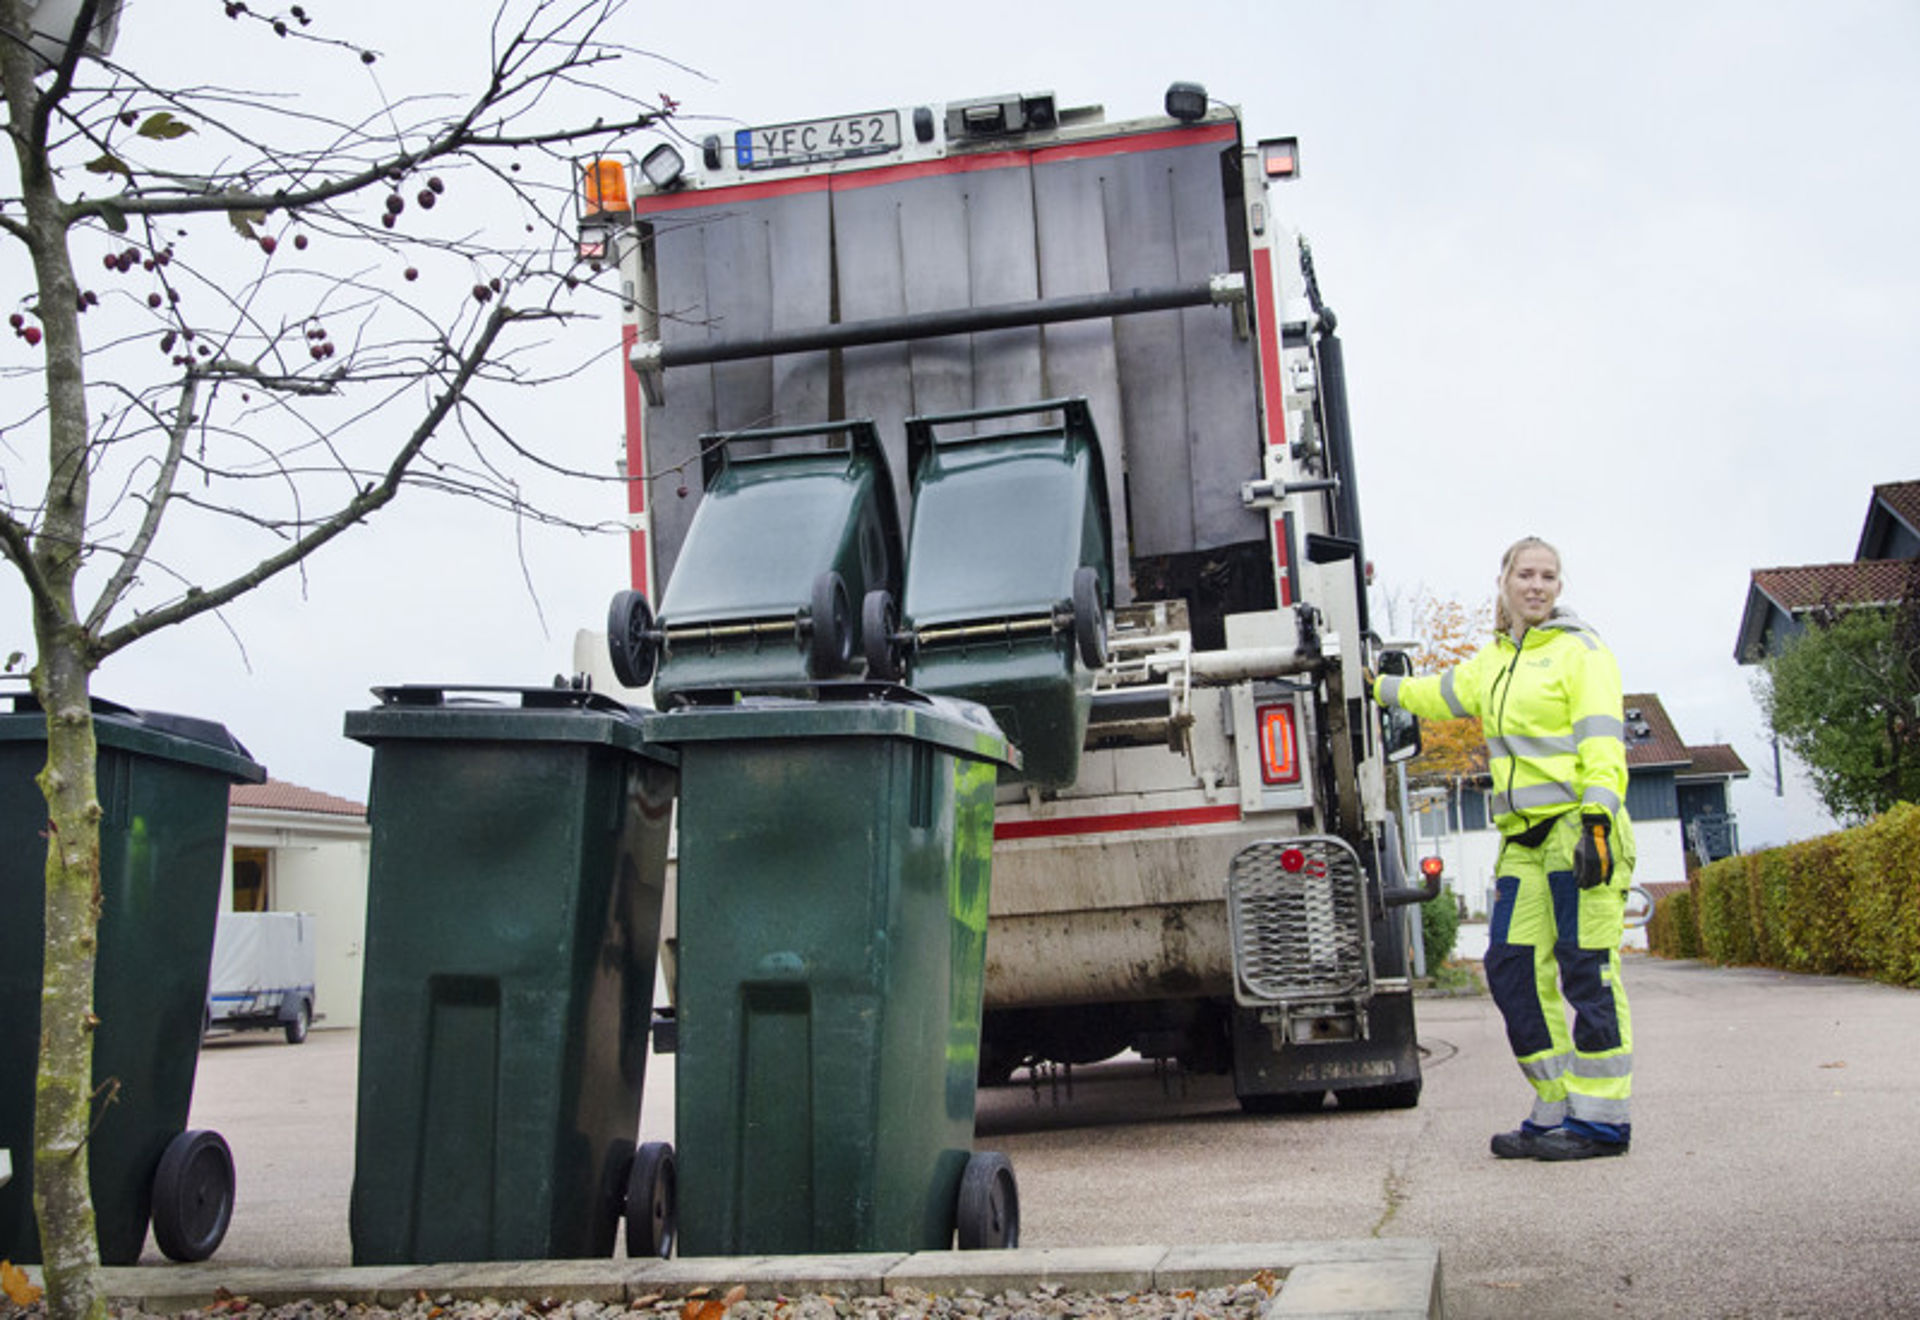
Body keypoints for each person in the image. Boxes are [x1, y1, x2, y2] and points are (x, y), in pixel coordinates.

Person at [1372, 536, 1636, 1160]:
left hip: (1580, 833)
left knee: (1586, 970)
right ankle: (1554, 1108)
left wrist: (1599, 821)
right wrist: (1377, 686)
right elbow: (1435, 695)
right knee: (1512, 968)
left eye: (1549, 576)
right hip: (1523, 841)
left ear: (1559, 587)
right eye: (1526, 574)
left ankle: (1602, 1123)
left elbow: (1603, 744)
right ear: (1504, 583)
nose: (1537, 586)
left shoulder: (1583, 653)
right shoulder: (1495, 661)